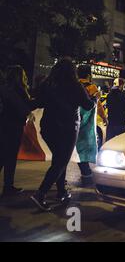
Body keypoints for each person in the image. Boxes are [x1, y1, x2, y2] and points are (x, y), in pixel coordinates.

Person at [30, 58, 97, 211]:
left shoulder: (48, 84)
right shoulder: (75, 86)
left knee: (60, 160)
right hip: (67, 129)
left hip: (48, 127)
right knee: (60, 162)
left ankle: (61, 192)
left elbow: (38, 102)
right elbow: (87, 105)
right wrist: (93, 98)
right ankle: (41, 193)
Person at [0, 66, 33, 196]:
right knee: (10, 157)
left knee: (2, 156)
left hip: (3, 124)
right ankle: (8, 186)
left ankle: (9, 186)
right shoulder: (19, 90)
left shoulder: (4, 88)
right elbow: (26, 105)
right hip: (14, 127)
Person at [75, 65, 108, 185]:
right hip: (86, 123)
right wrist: (104, 117)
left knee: (75, 147)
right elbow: (97, 105)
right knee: (85, 147)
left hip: (73, 119)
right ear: (89, 75)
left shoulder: (74, 86)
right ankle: (86, 172)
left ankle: (84, 170)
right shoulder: (91, 87)